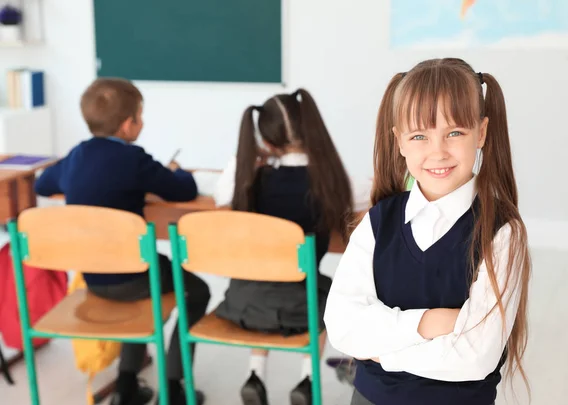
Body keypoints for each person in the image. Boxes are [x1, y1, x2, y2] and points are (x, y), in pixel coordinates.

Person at [324, 58, 532, 405]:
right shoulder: (378, 222)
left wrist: (381, 352)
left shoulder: (503, 232)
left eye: (454, 133)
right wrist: (427, 324)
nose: (438, 151)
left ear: (480, 133)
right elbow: (343, 328)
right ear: (400, 142)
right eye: (419, 135)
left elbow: (475, 357)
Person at [35, 78, 211, 405]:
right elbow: (184, 189)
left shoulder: (77, 155)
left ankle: (126, 387)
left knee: (140, 283)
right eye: (140, 118)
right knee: (197, 290)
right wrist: (177, 170)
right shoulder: (135, 160)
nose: (141, 124)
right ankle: (173, 388)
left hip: (94, 277)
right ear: (128, 125)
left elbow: (44, 185)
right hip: (135, 277)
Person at [212, 89, 354, 405]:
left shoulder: (253, 179)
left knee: (265, 281)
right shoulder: (326, 181)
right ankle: (306, 380)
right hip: (300, 306)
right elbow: (355, 204)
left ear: (267, 139)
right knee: (328, 289)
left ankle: (255, 375)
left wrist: (250, 159)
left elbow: (221, 199)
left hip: (244, 303)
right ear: (309, 128)